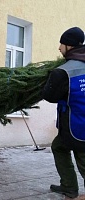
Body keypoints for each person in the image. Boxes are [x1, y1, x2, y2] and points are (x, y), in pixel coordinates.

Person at [42, 27, 85, 198]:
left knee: (81, 156)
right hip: (77, 124)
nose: (59, 48)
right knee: (58, 146)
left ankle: (69, 186)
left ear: (70, 46)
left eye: (62, 44)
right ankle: (68, 186)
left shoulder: (63, 71)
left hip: (75, 125)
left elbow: (49, 95)